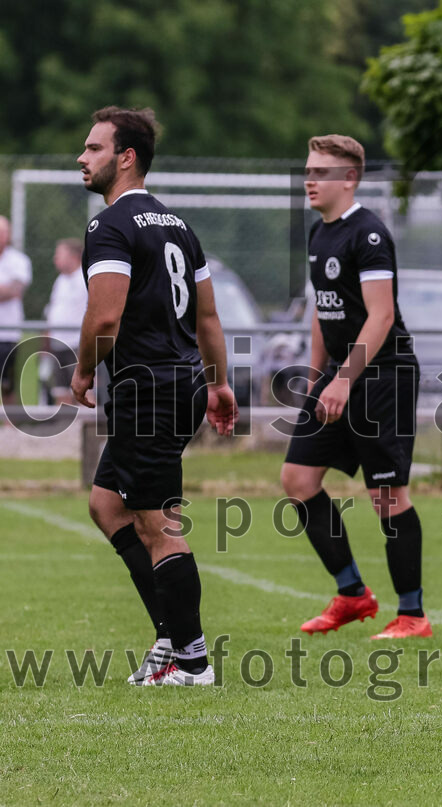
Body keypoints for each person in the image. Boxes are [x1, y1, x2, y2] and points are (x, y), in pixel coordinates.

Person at [72, 106, 238, 686]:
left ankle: (192, 662)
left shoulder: (110, 226)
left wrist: (81, 372)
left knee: (158, 525)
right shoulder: (178, 227)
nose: (81, 158)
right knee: (106, 505)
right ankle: (171, 640)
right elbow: (208, 317)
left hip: (149, 391)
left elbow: (105, 316)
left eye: (93, 148)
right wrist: (218, 383)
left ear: (126, 158)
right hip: (181, 384)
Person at [280, 134, 429, 640]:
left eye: (320, 172)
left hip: (383, 376)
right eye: (307, 171)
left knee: (387, 496)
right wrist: (316, 377)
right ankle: (352, 594)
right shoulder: (319, 233)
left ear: (349, 179)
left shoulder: (368, 234)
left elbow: (381, 315)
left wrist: (343, 380)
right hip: (339, 377)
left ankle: (412, 615)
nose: (310, 180)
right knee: (298, 480)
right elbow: (323, 312)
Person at [44, 238, 88, 404]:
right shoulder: (61, 280)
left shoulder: (85, 279)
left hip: (77, 344)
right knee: (61, 391)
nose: (55, 258)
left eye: (59, 255)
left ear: (73, 256)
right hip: (58, 343)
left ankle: (85, 421)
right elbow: (53, 311)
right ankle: (65, 421)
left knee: (84, 391)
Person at [0, 215, 33, 405]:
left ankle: (9, 421)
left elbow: (15, 290)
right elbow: (8, 290)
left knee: (7, 384)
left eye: (3, 232)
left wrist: (9, 291)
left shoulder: (19, 260)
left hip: (8, 333)